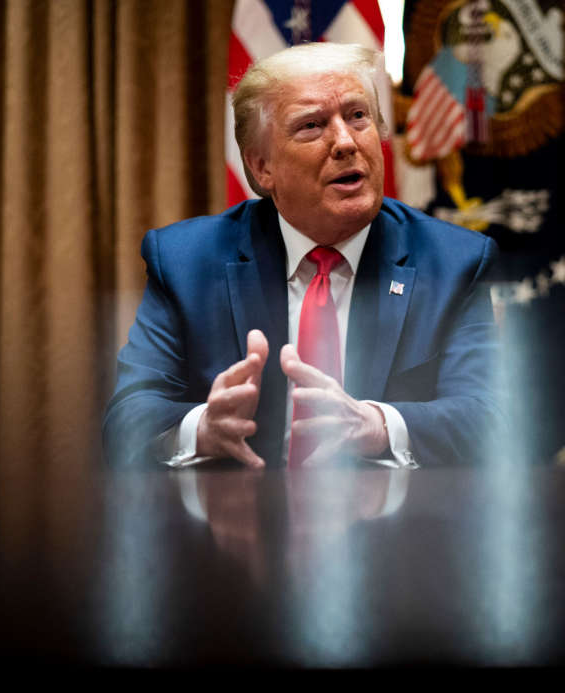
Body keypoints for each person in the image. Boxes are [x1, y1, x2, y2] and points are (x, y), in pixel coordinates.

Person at [103, 42, 502, 469]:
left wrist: (379, 425)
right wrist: (201, 428)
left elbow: (489, 418)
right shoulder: (186, 263)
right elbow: (127, 417)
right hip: (240, 522)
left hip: (395, 523)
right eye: (312, 125)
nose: (346, 142)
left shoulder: (454, 262)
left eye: (358, 116)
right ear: (261, 167)